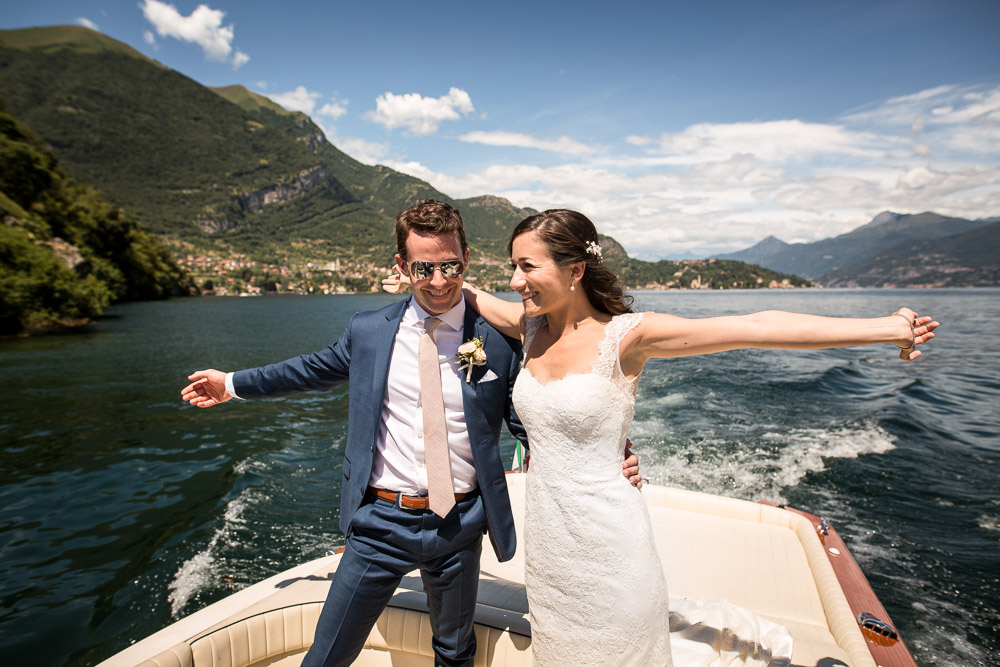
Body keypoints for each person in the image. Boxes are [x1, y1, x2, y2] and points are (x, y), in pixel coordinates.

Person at [387, 208, 938, 665]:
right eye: (513, 267)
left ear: (575, 269)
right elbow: (465, 290)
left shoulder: (629, 337)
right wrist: (418, 275)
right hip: (551, 547)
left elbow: (754, 328)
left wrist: (886, 329)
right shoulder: (529, 327)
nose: (515, 280)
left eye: (527, 266)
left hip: (610, 541)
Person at [180, 200, 641, 667]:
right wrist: (231, 384)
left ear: (467, 259)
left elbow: (534, 423)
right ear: (402, 265)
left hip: (460, 526)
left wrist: (606, 456)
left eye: (450, 266)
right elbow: (307, 371)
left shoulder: (500, 341)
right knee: (326, 655)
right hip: (379, 524)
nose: (439, 281)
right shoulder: (368, 332)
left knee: (454, 651)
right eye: (424, 268)